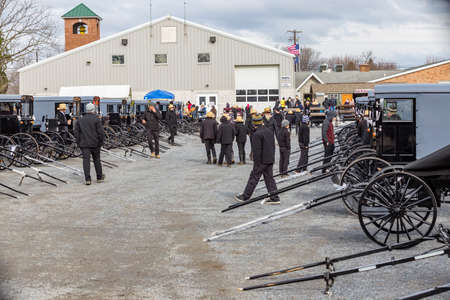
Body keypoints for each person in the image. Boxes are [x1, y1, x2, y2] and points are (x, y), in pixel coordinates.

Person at [235, 114, 280, 205]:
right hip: (270, 158)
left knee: (254, 177)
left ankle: (245, 196)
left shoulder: (256, 134)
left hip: (261, 160)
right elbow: (272, 146)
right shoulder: (269, 131)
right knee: (269, 179)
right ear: (262, 122)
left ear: (253, 124)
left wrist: (256, 163)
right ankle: (274, 197)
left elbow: (257, 151)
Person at [74, 103, 105, 185]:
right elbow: (101, 133)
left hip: (84, 144)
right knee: (97, 160)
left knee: (86, 161)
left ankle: (88, 179)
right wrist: (100, 143)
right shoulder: (96, 119)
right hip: (95, 143)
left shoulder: (80, 120)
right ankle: (99, 177)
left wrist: (79, 143)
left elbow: (76, 133)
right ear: (93, 110)